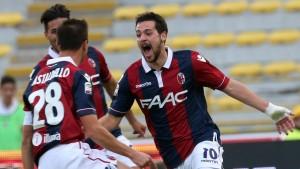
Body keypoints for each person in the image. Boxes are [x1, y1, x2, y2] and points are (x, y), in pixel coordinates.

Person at [99, 12, 295, 169]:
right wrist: (83, 133)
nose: (142, 38)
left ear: (163, 35)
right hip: (172, 158)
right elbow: (112, 120)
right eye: (138, 34)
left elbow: (229, 85)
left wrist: (269, 109)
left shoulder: (189, 62)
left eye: (148, 33)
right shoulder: (132, 76)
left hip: (203, 140)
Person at [22, 19, 153, 169]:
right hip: (72, 155)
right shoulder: (77, 75)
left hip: (45, 160)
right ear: (85, 45)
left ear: (58, 44)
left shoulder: (34, 81)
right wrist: (133, 154)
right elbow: (92, 129)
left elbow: (26, 141)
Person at [0, 75, 24, 150]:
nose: (8, 93)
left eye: (11, 89)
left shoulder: (23, 110)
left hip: (17, 157)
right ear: (1, 89)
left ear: (15, 90)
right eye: (5, 89)